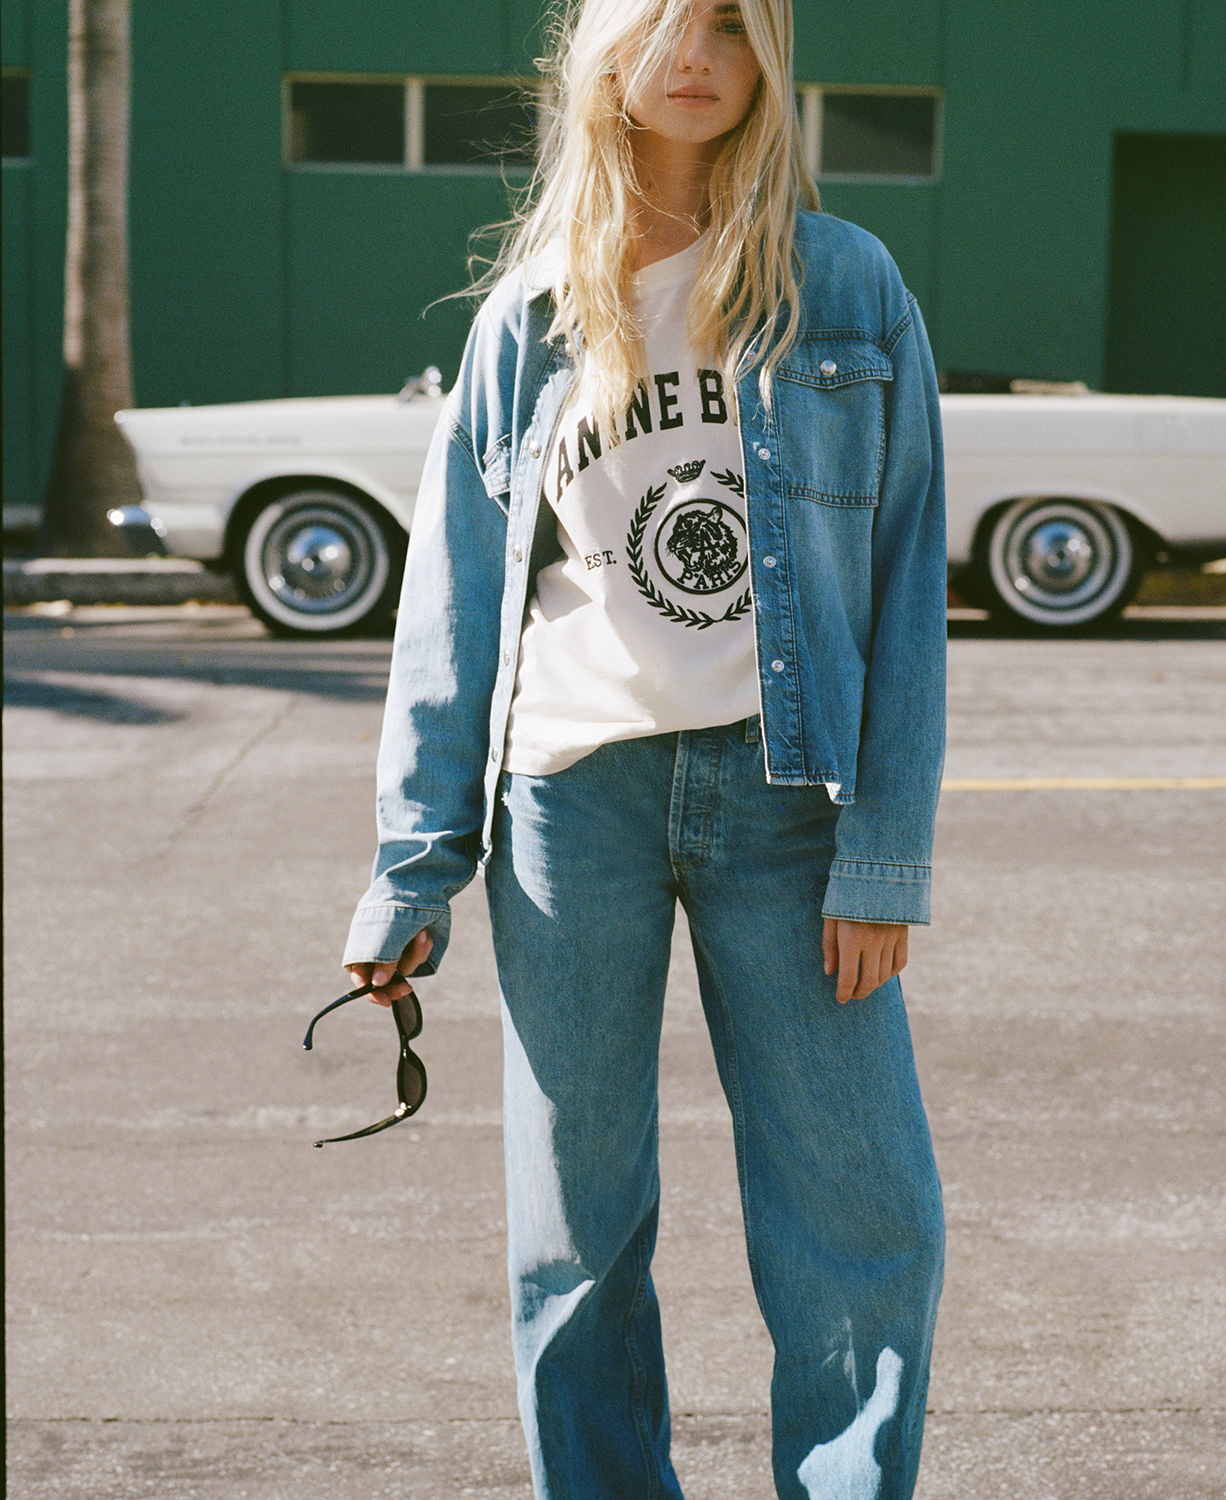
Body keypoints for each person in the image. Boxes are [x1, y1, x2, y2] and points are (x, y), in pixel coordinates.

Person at [341, 0, 946, 1494]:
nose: (702, 56)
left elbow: (908, 586)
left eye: (736, 27)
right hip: (573, 805)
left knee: (866, 1219)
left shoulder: (845, 289)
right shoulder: (532, 313)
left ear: (769, 66)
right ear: (608, 50)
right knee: (577, 1232)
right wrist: (412, 872)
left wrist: (883, 854)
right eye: (671, 22)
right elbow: (455, 610)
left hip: (786, 797)